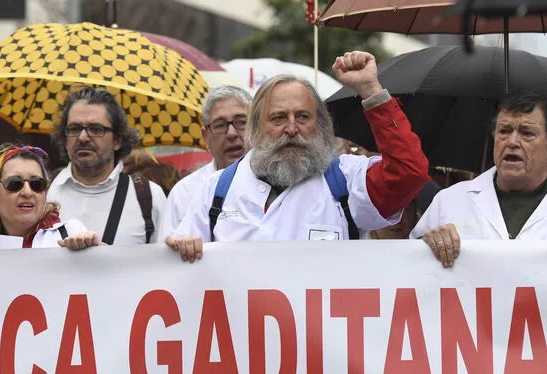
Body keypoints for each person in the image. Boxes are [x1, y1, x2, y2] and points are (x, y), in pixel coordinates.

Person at [167, 51, 431, 262]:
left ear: (321, 125)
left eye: (303, 117)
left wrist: (371, 90)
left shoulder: (347, 181)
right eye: (279, 118)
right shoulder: (217, 189)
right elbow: (178, 264)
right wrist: (184, 246)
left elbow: (409, 173)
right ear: (257, 127)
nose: (291, 129)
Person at [411, 91, 547, 268]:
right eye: (504, 131)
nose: (512, 142)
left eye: (527, 133)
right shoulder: (449, 202)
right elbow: (406, 268)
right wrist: (427, 245)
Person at [48, 86, 167, 245]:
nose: (83, 137)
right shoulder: (42, 190)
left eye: (96, 129)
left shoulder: (149, 196)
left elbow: (164, 265)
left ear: (117, 141)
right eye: (74, 129)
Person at [156, 85, 252, 240]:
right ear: (205, 136)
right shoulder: (184, 193)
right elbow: (166, 258)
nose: (232, 133)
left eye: (241, 122)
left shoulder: (275, 185)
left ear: (256, 127)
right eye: (220, 125)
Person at [0, 144, 101, 249]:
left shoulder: (71, 232)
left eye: (37, 183)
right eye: (15, 183)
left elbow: (104, 279)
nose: (27, 192)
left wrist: (95, 250)